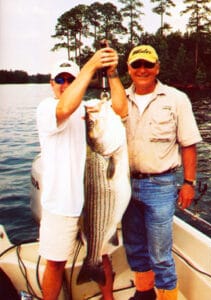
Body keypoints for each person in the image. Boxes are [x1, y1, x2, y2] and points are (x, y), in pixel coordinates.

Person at [36, 45, 127, 300]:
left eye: (71, 80)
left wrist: (111, 73)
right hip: (59, 204)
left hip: (95, 201)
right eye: (60, 80)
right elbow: (63, 109)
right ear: (51, 83)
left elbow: (121, 109)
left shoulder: (90, 110)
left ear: (81, 82)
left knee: (102, 255)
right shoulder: (46, 109)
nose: (65, 84)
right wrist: (91, 65)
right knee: (54, 262)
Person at [121, 45, 202, 300]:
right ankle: (144, 294)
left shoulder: (176, 99)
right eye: (137, 65)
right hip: (123, 185)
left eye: (148, 64)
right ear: (129, 69)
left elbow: (188, 144)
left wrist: (189, 183)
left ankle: (167, 295)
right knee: (135, 248)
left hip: (160, 185)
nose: (142, 70)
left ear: (157, 67)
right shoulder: (118, 100)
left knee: (160, 254)